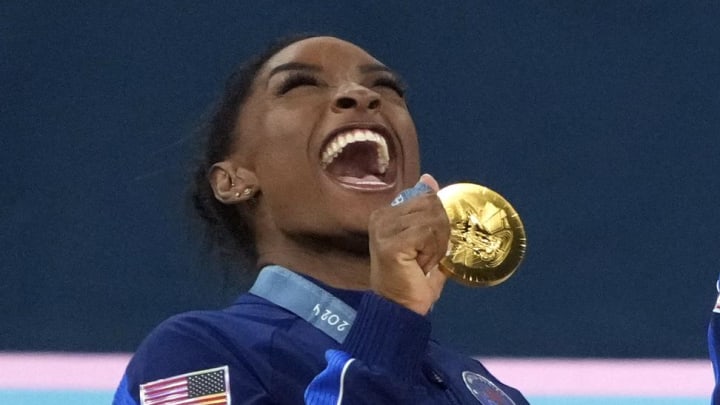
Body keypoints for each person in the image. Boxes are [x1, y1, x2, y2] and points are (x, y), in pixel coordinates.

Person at [113, 35, 529, 405]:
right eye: (300, 85)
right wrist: (392, 318)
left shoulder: (480, 388)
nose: (361, 95)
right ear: (234, 180)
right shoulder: (192, 358)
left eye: (385, 87)